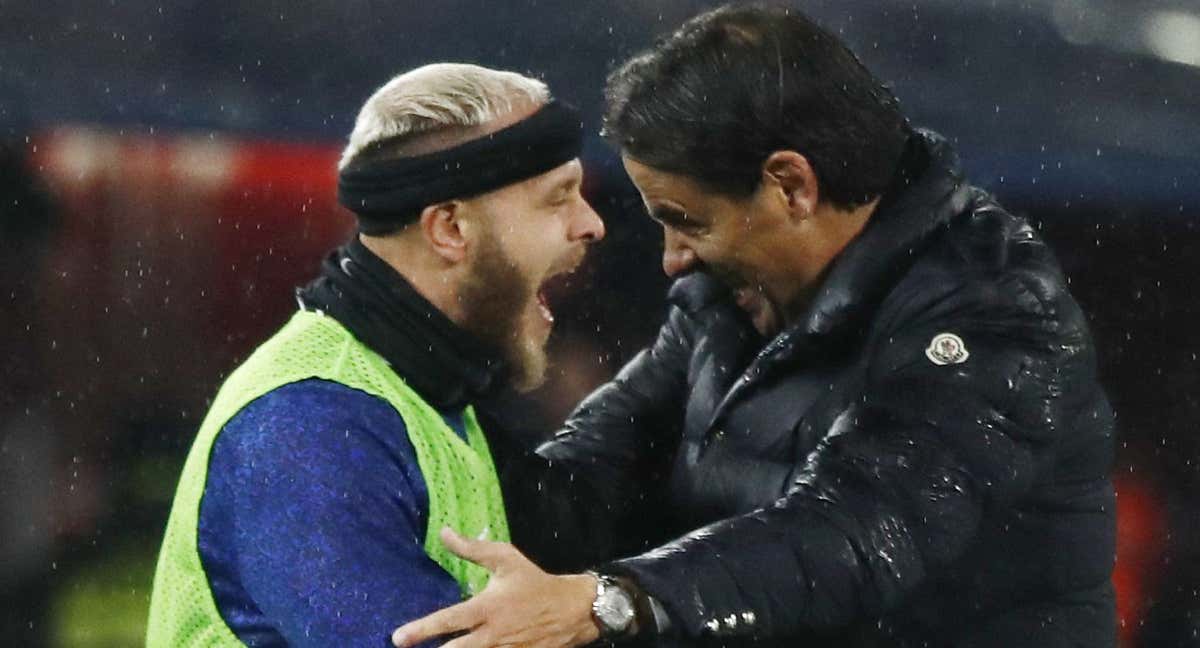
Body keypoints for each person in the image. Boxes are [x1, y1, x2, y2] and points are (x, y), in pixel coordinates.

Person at [391, 6, 1116, 647]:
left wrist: (609, 603)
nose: (673, 261)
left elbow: (853, 536)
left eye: (685, 222)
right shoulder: (721, 304)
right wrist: (410, 407)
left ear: (791, 185)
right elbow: (580, 491)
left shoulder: (998, 316)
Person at [145, 63, 605, 646]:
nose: (591, 224)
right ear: (450, 229)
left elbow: (591, 501)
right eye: (557, 199)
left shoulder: (427, 392)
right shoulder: (312, 428)